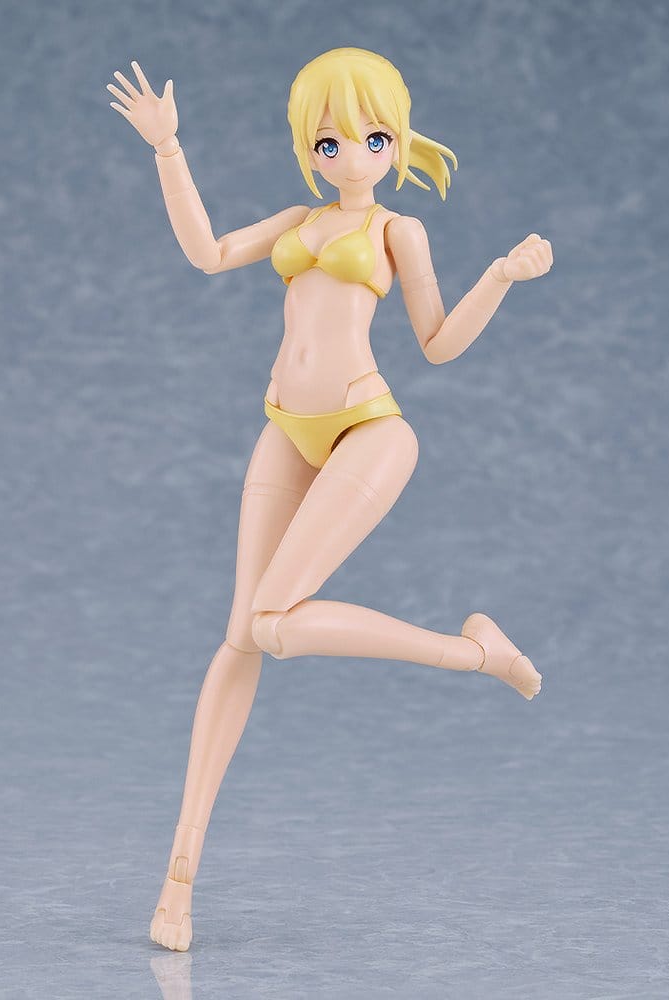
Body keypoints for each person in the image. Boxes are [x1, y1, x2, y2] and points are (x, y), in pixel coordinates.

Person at [107, 47, 552, 952]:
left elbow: (436, 342)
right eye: (330, 141)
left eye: (373, 138)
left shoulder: (398, 231)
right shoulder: (297, 220)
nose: (352, 155)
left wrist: (500, 278)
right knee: (241, 636)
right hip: (286, 428)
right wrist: (168, 149)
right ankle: (179, 874)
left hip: (370, 429)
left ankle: (474, 653)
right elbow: (207, 253)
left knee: (272, 624)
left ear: (396, 142)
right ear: (309, 148)